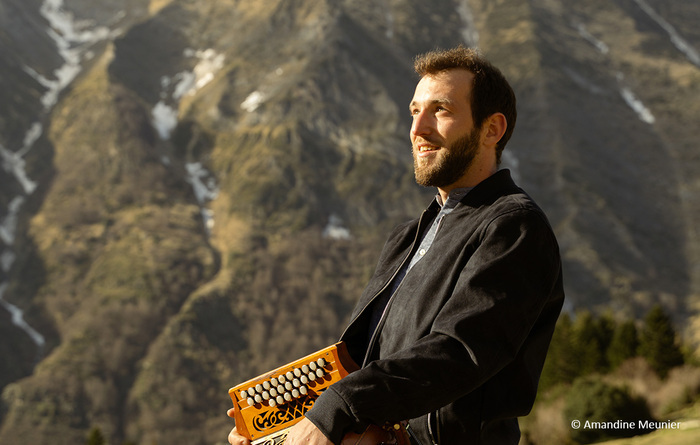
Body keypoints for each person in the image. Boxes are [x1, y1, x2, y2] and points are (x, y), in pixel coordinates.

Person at [228, 46, 565, 445]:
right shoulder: (407, 236)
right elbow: (363, 361)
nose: (418, 128)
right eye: (414, 111)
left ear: (492, 129)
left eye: (440, 110)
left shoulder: (513, 225)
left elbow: (461, 352)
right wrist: (278, 430)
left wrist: (338, 409)